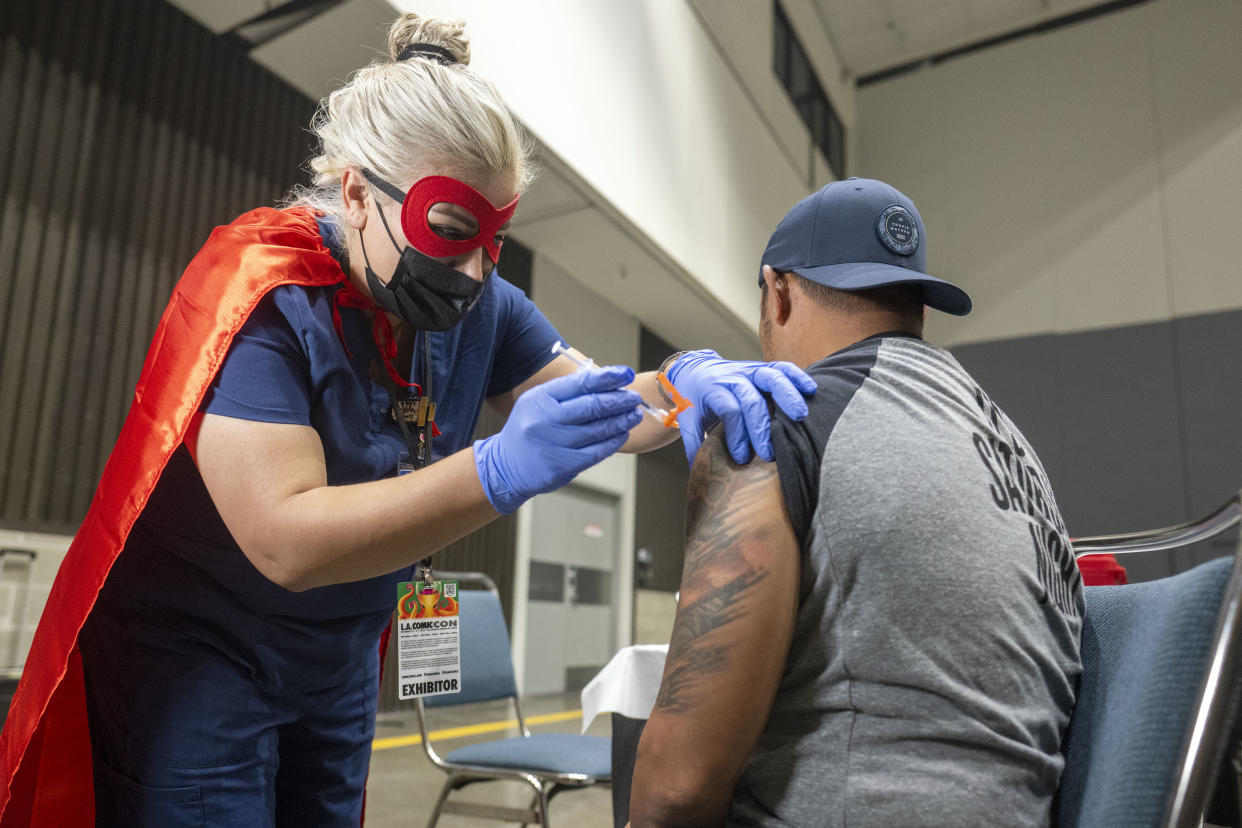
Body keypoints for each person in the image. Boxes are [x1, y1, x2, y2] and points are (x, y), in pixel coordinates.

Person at [0, 13, 816, 827]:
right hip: (204, 655)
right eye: (453, 229)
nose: (474, 268)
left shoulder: (485, 307)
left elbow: (603, 405)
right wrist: (493, 471)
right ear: (356, 191)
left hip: (339, 660)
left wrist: (680, 386)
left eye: (496, 237)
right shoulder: (264, 295)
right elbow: (285, 539)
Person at [629, 178, 1084, 827]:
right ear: (918, 308)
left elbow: (675, 788)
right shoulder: (1017, 451)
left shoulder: (773, 422)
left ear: (777, 293)